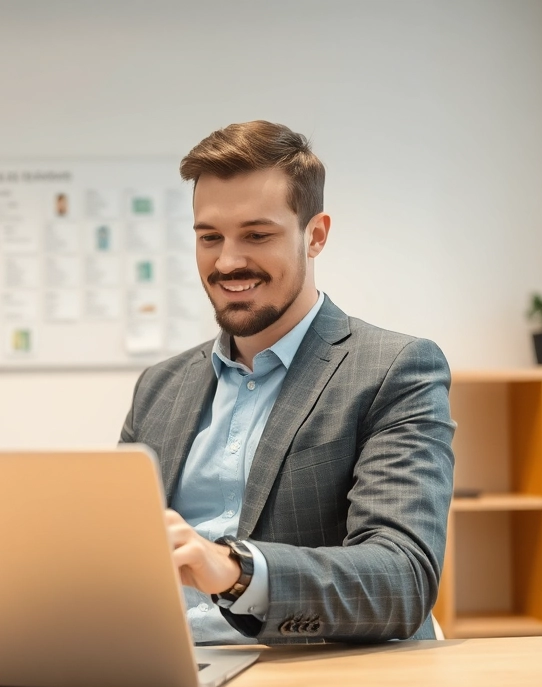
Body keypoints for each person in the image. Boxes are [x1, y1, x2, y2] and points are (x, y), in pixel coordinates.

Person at [120, 120, 454, 644]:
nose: (227, 261)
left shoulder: (396, 369)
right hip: (177, 665)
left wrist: (235, 570)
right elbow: (121, 553)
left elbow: (403, 578)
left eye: (257, 235)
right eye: (210, 237)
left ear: (315, 235)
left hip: (319, 675)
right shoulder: (159, 387)